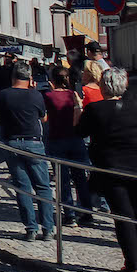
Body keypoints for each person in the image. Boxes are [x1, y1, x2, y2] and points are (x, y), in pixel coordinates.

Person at [77, 67, 137, 272]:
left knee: (123, 216)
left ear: (104, 86)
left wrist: (76, 109)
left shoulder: (95, 109)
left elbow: (80, 132)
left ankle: (132, 264)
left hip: (112, 166)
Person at [0, 61, 53, 241]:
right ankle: (48, 228)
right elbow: (44, 118)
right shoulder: (36, 96)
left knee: (23, 188)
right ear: (30, 78)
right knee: (43, 187)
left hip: (13, 144)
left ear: (13, 76)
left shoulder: (3, 95)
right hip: (34, 144)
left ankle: (31, 229)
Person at [42, 66, 93, 228]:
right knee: (80, 177)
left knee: (62, 178)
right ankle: (86, 211)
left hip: (57, 139)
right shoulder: (73, 95)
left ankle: (69, 215)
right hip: (75, 138)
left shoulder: (48, 96)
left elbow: (44, 118)